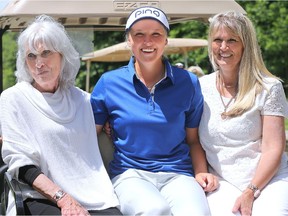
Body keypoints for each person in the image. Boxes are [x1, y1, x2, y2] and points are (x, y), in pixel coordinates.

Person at [90, 6, 218, 215]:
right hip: (129, 174)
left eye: (155, 34)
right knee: (154, 210)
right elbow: (87, 134)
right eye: (139, 34)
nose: (147, 41)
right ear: (129, 40)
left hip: (178, 174)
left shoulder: (188, 83)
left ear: (165, 40)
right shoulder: (109, 83)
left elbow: (192, 140)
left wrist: (201, 171)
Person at [0, 15, 122, 215]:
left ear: (63, 56)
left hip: (95, 194)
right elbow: (21, 165)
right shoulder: (13, 99)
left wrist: (110, 121)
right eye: (31, 56)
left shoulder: (83, 100)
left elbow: (115, 116)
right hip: (39, 197)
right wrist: (63, 199)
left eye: (46, 53)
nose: (39, 63)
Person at [199, 11, 288, 216]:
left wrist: (251, 191)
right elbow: (190, 137)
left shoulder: (269, 87)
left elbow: (274, 148)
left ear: (246, 44)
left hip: (268, 180)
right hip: (221, 182)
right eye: (218, 40)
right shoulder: (199, 87)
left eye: (232, 40)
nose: (223, 47)